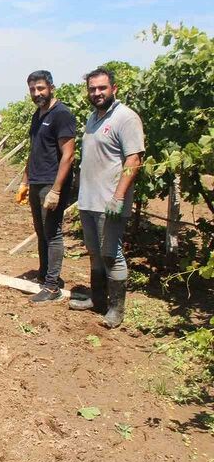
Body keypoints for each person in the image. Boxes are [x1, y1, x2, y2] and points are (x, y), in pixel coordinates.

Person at [69, 68, 144, 328]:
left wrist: (119, 196)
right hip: (88, 200)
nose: (97, 93)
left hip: (110, 203)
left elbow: (134, 159)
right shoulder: (92, 118)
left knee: (111, 253)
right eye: (92, 89)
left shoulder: (125, 118)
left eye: (102, 88)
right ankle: (97, 299)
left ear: (114, 88)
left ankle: (116, 309)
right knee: (94, 252)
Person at [15, 70, 76, 302]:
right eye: (32, 89)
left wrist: (56, 190)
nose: (36, 93)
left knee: (52, 233)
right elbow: (34, 151)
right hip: (37, 182)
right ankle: (44, 276)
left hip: (51, 183)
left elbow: (68, 156)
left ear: (51, 87)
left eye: (40, 88)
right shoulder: (38, 114)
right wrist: (24, 181)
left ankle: (52, 287)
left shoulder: (62, 114)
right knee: (41, 231)